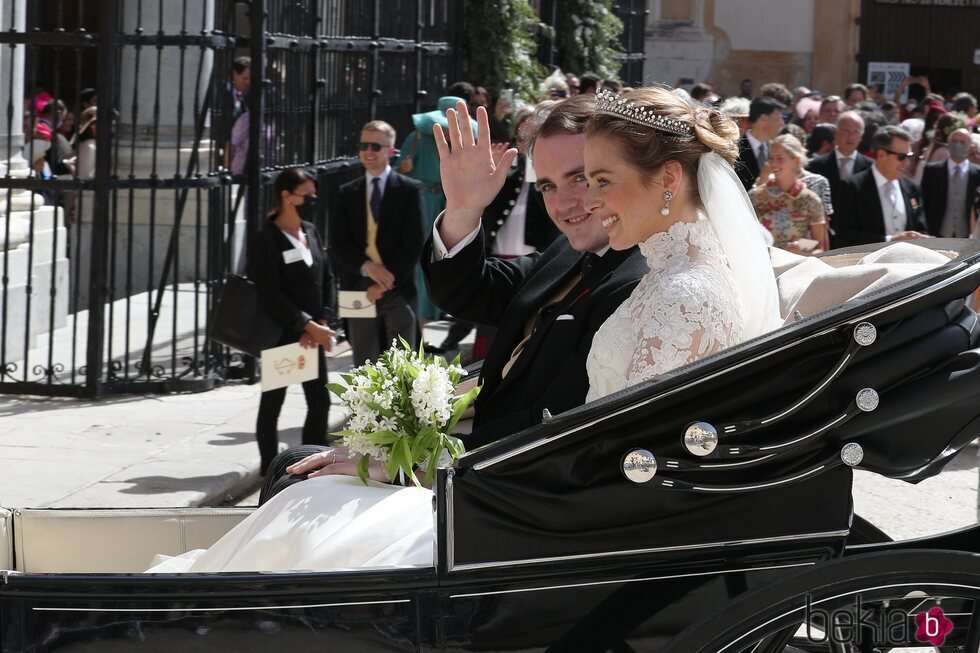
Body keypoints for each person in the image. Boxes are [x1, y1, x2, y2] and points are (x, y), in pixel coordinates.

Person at [145, 87, 778, 574]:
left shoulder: (665, 285)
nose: (571, 203)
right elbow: (481, 294)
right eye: (551, 185)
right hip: (514, 474)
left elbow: (592, 451)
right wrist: (466, 208)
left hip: (542, 508)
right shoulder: (602, 254)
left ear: (665, 178)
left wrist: (416, 465)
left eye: (593, 179)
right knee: (298, 475)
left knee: (301, 490)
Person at [249, 168, 336, 475]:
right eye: (306, 194)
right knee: (273, 405)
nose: (312, 200)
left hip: (312, 334)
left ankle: (310, 465)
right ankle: (269, 471)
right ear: (286, 196)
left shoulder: (310, 230)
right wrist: (306, 325)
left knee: (320, 403)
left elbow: (326, 277)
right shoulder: (266, 239)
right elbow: (270, 294)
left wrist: (324, 318)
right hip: (284, 334)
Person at [330, 120, 425, 365]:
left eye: (375, 146)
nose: (368, 152)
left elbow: (414, 243)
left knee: (403, 363)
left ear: (390, 151)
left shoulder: (409, 190)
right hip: (357, 283)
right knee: (363, 363)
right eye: (364, 146)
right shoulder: (347, 192)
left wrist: (385, 280)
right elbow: (339, 242)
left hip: (397, 285)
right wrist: (367, 267)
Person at [834, 126, 930, 246]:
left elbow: (920, 227)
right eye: (901, 157)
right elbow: (845, 235)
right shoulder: (852, 187)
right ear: (881, 155)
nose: (907, 163)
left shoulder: (911, 188)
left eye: (909, 156)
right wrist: (889, 240)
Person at [749, 134, 829, 254]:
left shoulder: (811, 200)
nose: (773, 164)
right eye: (771, 158)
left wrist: (803, 252)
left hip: (797, 268)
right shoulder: (755, 197)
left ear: (796, 161)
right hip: (764, 267)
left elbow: (820, 249)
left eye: (779, 158)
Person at [920, 128, 980, 238]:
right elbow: (923, 201)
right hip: (937, 234)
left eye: (962, 142)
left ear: (970, 145)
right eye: (954, 141)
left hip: (966, 236)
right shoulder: (932, 170)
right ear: (948, 144)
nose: (958, 145)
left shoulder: (977, 173)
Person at [735, 96, 785, 190]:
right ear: (763, 119)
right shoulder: (735, 150)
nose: (782, 124)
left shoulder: (777, 150)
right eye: (778, 119)